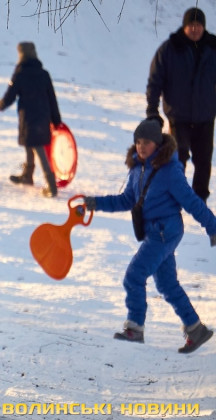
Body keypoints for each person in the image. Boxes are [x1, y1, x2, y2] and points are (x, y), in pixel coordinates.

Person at [83, 119, 216, 354]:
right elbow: (126, 200)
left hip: (165, 231)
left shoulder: (170, 172)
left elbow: (192, 202)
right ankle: (196, 329)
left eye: (146, 142)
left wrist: (212, 226)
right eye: (138, 142)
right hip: (155, 232)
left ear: (157, 143)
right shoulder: (138, 168)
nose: (141, 146)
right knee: (167, 283)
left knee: (134, 276)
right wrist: (95, 203)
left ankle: (135, 328)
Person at [146, 7, 216, 203]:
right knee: (177, 160)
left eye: (198, 25)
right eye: (191, 25)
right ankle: (175, 197)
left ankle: (199, 201)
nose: (195, 29)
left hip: (205, 117)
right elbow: (155, 81)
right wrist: (152, 110)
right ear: (184, 26)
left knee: (203, 162)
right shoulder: (170, 49)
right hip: (179, 117)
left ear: (203, 27)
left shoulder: (213, 48)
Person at [0, 41, 62, 198]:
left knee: (37, 148)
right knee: (30, 145)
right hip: (43, 117)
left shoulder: (20, 73)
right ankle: (27, 176)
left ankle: (51, 185)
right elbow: (52, 98)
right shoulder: (44, 74)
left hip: (29, 118)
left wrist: (0, 105)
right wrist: (56, 120)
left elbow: (10, 95)